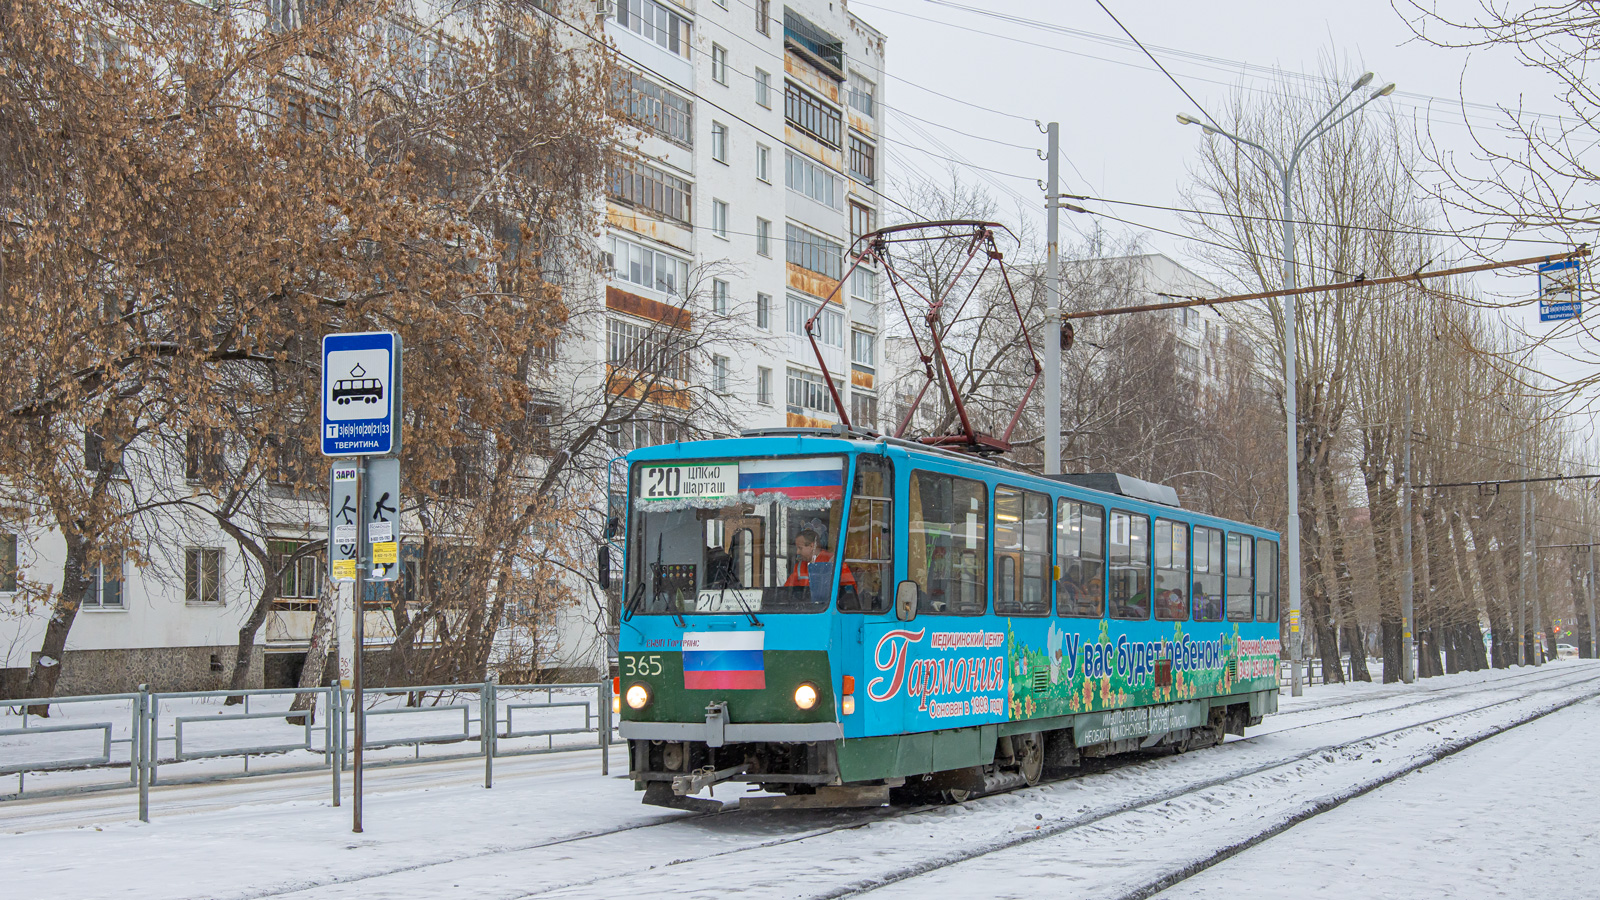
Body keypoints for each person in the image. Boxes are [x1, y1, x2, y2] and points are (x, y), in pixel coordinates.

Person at [784, 529, 855, 588]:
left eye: (800, 548)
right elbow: (787, 590)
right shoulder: (799, 567)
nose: (797, 552)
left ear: (812, 546)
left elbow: (849, 590)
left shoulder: (834, 562)